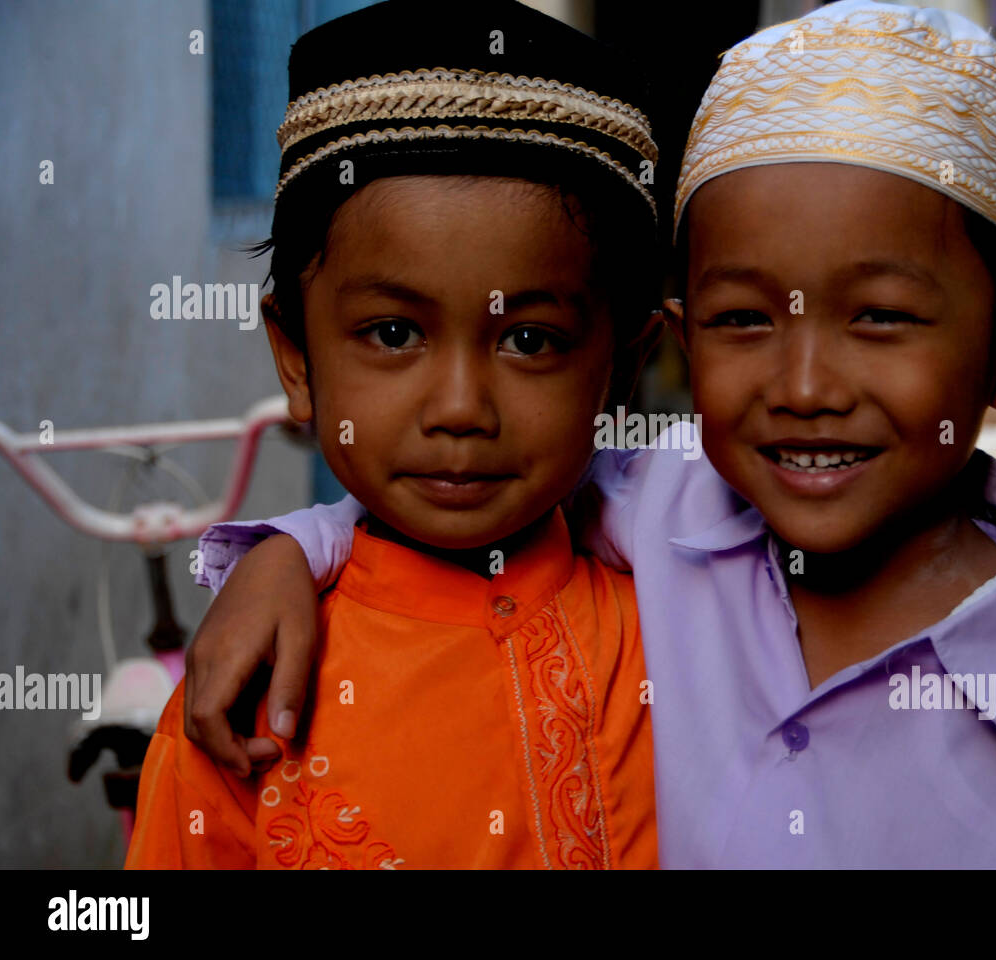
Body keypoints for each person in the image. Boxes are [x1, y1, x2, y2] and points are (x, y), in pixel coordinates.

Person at [183, 1, 996, 867]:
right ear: (683, 342)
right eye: (746, 319)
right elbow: (463, 476)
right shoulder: (665, 514)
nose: (802, 385)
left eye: (878, 316)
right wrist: (287, 551)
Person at [125, 0, 662, 869]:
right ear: (297, 360)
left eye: (530, 340)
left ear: (621, 368)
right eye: (393, 333)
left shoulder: (693, 636)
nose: (460, 408)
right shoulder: (241, 701)